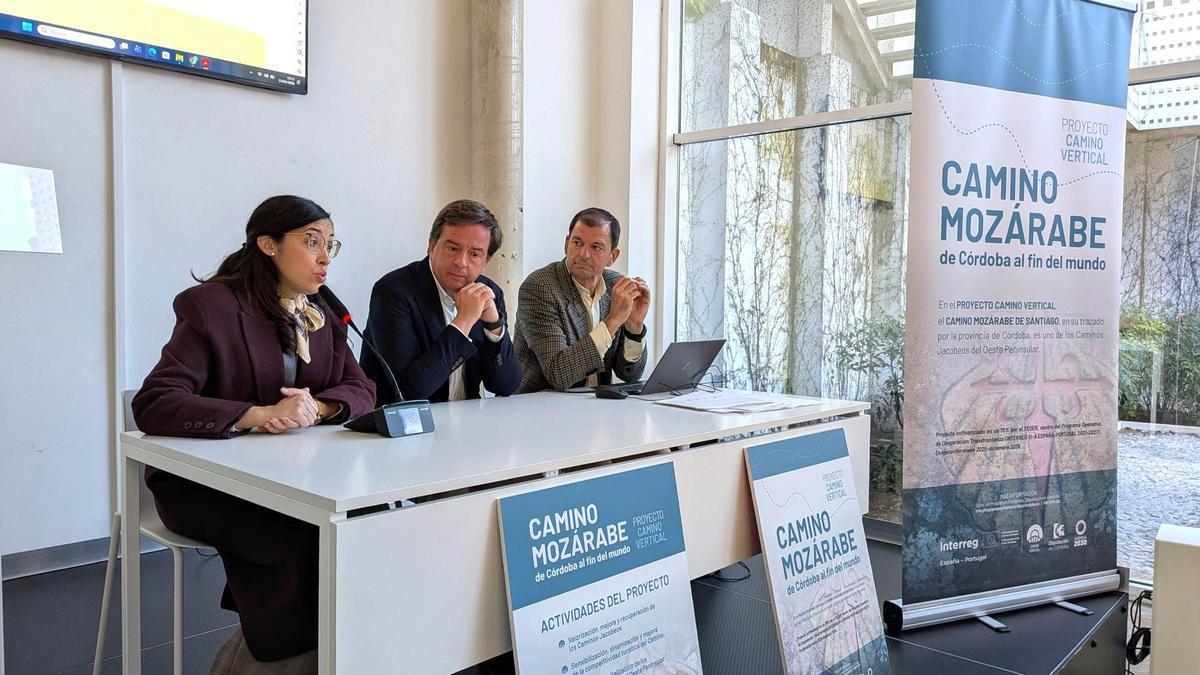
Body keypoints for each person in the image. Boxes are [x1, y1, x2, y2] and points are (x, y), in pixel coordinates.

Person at [131, 195, 375, 671]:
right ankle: (277, 658)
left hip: (298, 476)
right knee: (295, 534)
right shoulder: (211, 306)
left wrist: (319, 407)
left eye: (331, 244)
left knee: (361, 526)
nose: (325, 257)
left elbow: (362, 388)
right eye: (312, 242)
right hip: (206, 483)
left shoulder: (320, 312)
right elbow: (155, 402)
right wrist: (257, 415)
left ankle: (311, 650)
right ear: (268, 244)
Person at [360, 199, 520, 403]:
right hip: (407, 420)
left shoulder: (488, 293)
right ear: (432, 245)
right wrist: (464, 321)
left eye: (474, 254)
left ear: (485, 261)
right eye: (452, 248)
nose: (461, 262)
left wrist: (494, 326)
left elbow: (506, 385)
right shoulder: (393, 292)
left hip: (468, 417)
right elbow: (408, 391)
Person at [514, 207, 650, 393]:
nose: (584, 254)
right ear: (566, 244)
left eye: (595, 247)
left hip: (596, 404)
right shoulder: (540, 287)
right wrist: (613, 321)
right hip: (538, 405)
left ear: (612, 256)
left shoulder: (615, 286)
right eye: (577, 243)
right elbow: (558, 374)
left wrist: (634, 327)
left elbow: (630, 375)